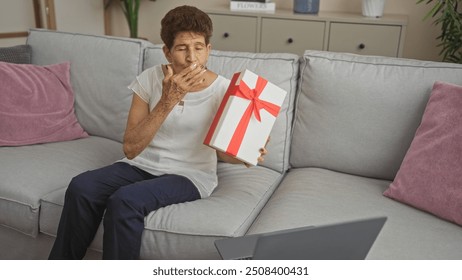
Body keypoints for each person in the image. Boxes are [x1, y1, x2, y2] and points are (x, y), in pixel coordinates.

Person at [49, 5, 267, 260]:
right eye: (182, 48)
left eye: (198, 47)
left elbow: (225, 153)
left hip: (189, 174)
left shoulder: (225, 91)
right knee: (81, 186)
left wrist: (246, 155)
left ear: (209, 49)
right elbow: (131, 148)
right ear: (167, 52)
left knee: (124, 201)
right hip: (140, 164)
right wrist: (167, 101)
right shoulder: (149, 80)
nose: (191, 58)